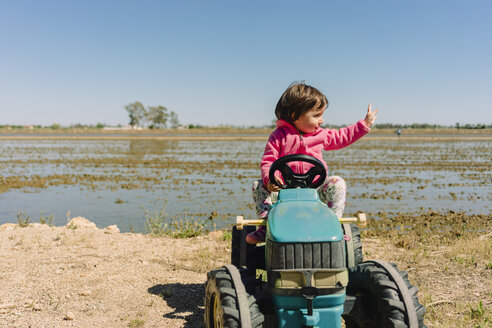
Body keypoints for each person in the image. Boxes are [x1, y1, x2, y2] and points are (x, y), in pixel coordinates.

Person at [246, 82, 378, 244]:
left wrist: (363, 125)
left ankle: (333, 225)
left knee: (337, 183)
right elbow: (268, 160)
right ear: (295, 116)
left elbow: (342, 136)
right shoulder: (278, 136)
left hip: (315, 188)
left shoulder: (321, 135)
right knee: (258, 185)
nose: (321, 121)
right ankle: (267, 226)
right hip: (283, 190)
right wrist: (270, 180)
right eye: (316, 115)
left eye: (321, 115)